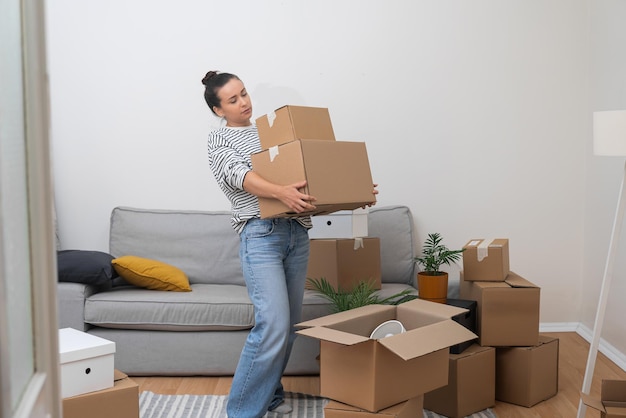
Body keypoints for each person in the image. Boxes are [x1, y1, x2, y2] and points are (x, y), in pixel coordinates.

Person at [201, 70, 377, 418]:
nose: (244, 102)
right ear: (219, 110)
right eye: (233, 100)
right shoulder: (219, 141)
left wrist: (354, 193)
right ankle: (240, 413)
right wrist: (280, 192)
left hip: (296, 234)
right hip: (261, 236)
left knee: (288, 326)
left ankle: (270, 397)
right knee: (274, 325)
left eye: (245, 93)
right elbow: (239, 175)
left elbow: (308, 183)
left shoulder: (270, 135)